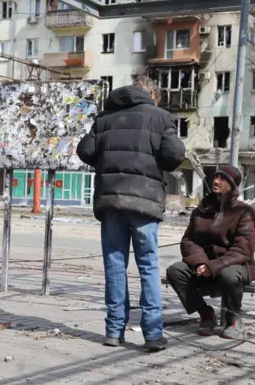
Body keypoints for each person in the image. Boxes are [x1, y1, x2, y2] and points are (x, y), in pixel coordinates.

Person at [76, 76, 186, 352]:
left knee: (115, 266)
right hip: (144, 202)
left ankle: (114, 331)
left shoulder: (105, 118)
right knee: (148, 266)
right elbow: (175, 155)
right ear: (152, 96)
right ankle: (152, 334)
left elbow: (85, 151)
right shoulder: (160, 118)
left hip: (111, 200)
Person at [166, 165, 255, 340]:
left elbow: (243, 249)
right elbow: (188, 240)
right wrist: (201, 262)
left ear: (232, 184)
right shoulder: (202, 210)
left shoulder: (245, 212)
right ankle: (205, 313)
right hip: (204, 266)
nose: (216, 181)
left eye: (222, 179)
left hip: (235, 266)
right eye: (216, 177)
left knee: (228, 274)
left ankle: (233, 318)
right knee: (175, 270)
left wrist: (214, 266)